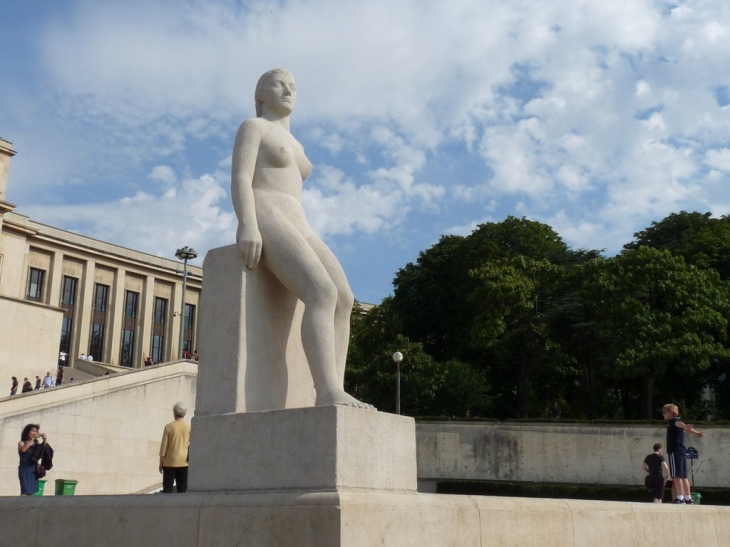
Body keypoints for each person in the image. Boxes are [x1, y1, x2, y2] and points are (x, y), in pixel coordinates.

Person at [232, 68, 372, 409]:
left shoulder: (297, 144)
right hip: (268, 210)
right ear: (261, 94)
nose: (288, 90)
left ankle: (334, 386)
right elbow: (240, 177)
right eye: (279, 85)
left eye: (293, 86)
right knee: (321, 291)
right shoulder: (254, 128)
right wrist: (247, 223)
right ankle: (326, 391)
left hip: (299, 220)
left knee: (345, 298)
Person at [663, 403, 704, 504]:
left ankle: (680, 498)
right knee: (683, 476)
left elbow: (680, 425)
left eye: (664, 412)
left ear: (671, 412)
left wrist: (686, 426)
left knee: (676, 475)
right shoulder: (676, 421)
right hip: (681, 451)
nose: (663, 414)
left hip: (674, 451)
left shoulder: (674, 421)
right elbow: (684, 427)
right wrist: (697, 433)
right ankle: (688, 498)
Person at [159, 402, 191, 493]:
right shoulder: (189, 427)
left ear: (174, 413)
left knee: (167, 489)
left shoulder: (168, 427)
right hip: (184, 462)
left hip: (169, 462)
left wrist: (161, 461)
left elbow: (164, 446)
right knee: (182, 489)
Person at [18, 423, 47, 495]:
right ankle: (21, 505)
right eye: (32, 431)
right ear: (27, 432)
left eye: (36, 431)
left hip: (33, 469)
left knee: (31, 491)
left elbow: (44, 450)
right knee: (25, 490)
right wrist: (32, 439)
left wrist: (45, 440)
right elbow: (23, 449)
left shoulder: (36, 444)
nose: (34, 433)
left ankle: (27, 505)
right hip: (24, 469)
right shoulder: (21, 442)